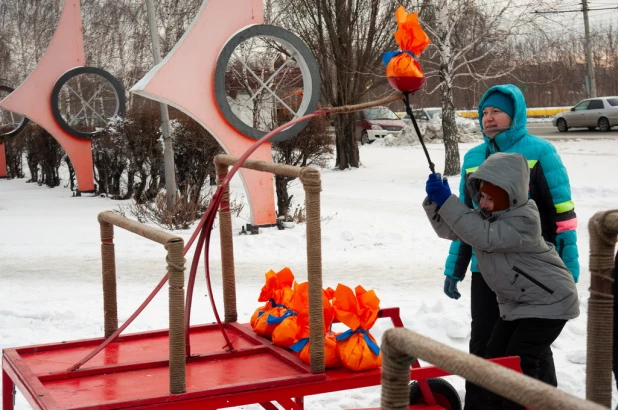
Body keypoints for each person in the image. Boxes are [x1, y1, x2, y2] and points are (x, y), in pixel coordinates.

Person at [440, 84, 579, 409]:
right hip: (485, 270)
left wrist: (568, 265)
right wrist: (455, 268)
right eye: (484, 112)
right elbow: (464, 218)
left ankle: (541, 403)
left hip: (530, 270)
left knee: (528, 349)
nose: (488, 118)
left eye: (496, 111)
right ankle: (480, 405)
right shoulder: (474, 157)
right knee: (483, 342)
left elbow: (563, 215)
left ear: (515, 113)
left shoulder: (540, 152)